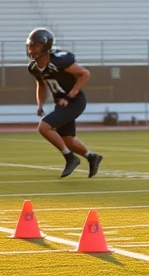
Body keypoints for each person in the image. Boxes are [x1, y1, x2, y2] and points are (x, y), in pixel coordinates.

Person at [27, 28, 102, 178]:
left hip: (74, 101)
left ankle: (70, 158)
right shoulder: (34, 67)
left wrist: (70, 96)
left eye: (35, 46)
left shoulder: (59, 61)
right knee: (67, 139)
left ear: (46, 47)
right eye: (30, 46)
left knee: (44, 127)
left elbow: (84, 73)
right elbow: (41, 85)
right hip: (61, 103)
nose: (31, 49)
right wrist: (40, 104)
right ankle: (91, 157)